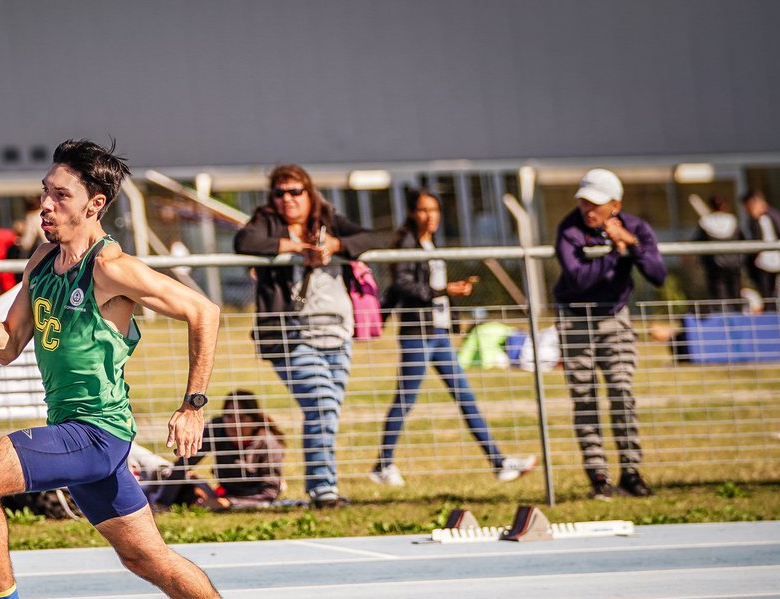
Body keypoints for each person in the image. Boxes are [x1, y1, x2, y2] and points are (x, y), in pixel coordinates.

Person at [0, 139, 280, 599]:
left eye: (59, 194)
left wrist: (193, 405)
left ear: (93, 204)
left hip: (96, 433)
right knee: (147, 558)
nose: (44, 204)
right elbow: (8, 346)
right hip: (74, 432)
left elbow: (206, 311)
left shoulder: (111, 266)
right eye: (44, 191)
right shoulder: (42, 263)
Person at [234, 164, 382, 508]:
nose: (287, 199)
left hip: (337, 333)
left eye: (295, 191)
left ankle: (322, 488)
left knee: (327, 413)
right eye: (280, 192)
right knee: (321, 404)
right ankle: (323, 489)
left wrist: (337, 243)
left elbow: (376, 238)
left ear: (309, 193)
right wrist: (296, 247)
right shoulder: (266, 222)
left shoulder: (328, 217)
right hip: (291, 335)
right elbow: (245, 241)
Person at [372, 190, 536, 487]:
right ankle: (382, 465)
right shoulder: (406, 244)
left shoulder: (429, 242)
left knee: (466, 398)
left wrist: (451, 297)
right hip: (417, 334)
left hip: (439, 333)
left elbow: (430, 286)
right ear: (412, 212)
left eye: (434, 210)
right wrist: (445, 290)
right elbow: (404, 285)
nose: (430, 216)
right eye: (423, 210)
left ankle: (498, 462)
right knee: (405, 401)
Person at [554, 168, 666, 499]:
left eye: (596, 204)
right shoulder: (569, 229)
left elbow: (658, 275)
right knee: (584, 397)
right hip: (575, 321)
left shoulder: (635, 228)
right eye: (584, 203)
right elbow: (577, 278)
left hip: (615, 319)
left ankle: (631, 471)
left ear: (615, 205)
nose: (588, 210)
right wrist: (615, 252)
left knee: (621, 390)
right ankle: (599, 476)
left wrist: (632, 245)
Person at [180, 389, 286, 508]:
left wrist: (230, 502)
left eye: (242, 418)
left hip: (254, 495)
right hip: (225, 491)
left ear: (253, 420)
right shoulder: (217, 429)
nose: (234, 424)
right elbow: (184, 463)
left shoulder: (268, 443)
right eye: (229, 416)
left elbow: (269, 494)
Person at [743, 190, 780, 324]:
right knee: (773, 298)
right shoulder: (758, 219)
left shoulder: (768, 217)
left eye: (748, 206)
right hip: (769, 265)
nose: (747, 211)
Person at [692, 195, 746, 311]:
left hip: (714, 266)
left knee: (718, 298)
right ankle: (739, 322)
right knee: (735, 295)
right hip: (734, 265)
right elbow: (742, 240)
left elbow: (697, 241)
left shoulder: (705, 222)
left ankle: (722, 321)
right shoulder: (733, 221)